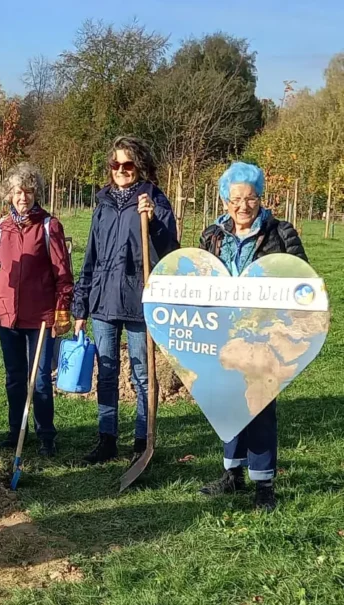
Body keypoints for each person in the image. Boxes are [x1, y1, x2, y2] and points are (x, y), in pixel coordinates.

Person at [196, 162, 306, 511]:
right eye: (236, 199)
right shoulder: (211, 235)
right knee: (227, 402)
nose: (243, 206)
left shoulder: (280, 233)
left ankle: (264, 485)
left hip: (265, 336)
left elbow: (302, 281)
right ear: (225, 201)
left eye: (250, 198)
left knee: (259, 406)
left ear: (261, 198)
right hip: (223, 334)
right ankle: (232, 474)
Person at [73, 136, 178, 464]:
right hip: (103, 301)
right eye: (115, 165)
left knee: (142, 373)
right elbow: (90, 254)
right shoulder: (103, 203)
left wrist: (154, 223)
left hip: (138, 300)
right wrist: (81, 303)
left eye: (127, 165)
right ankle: (106, 440)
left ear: (140, 166)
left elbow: (170, 251)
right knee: (105, 371)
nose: (121, 170)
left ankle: (142, 442)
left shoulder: (153, 199)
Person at [0, 162, 73, 456]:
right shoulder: (1, 227)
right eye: (17, 192)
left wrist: (62, 308)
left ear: (35, 193)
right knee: (14, 377)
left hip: (40, 316)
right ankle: (16, 430)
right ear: (9, 195)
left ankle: (46, 435)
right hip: (6, 315)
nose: (22, 197)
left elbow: (63, 273)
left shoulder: (48, 226)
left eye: (28, 191)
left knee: (40, 378)